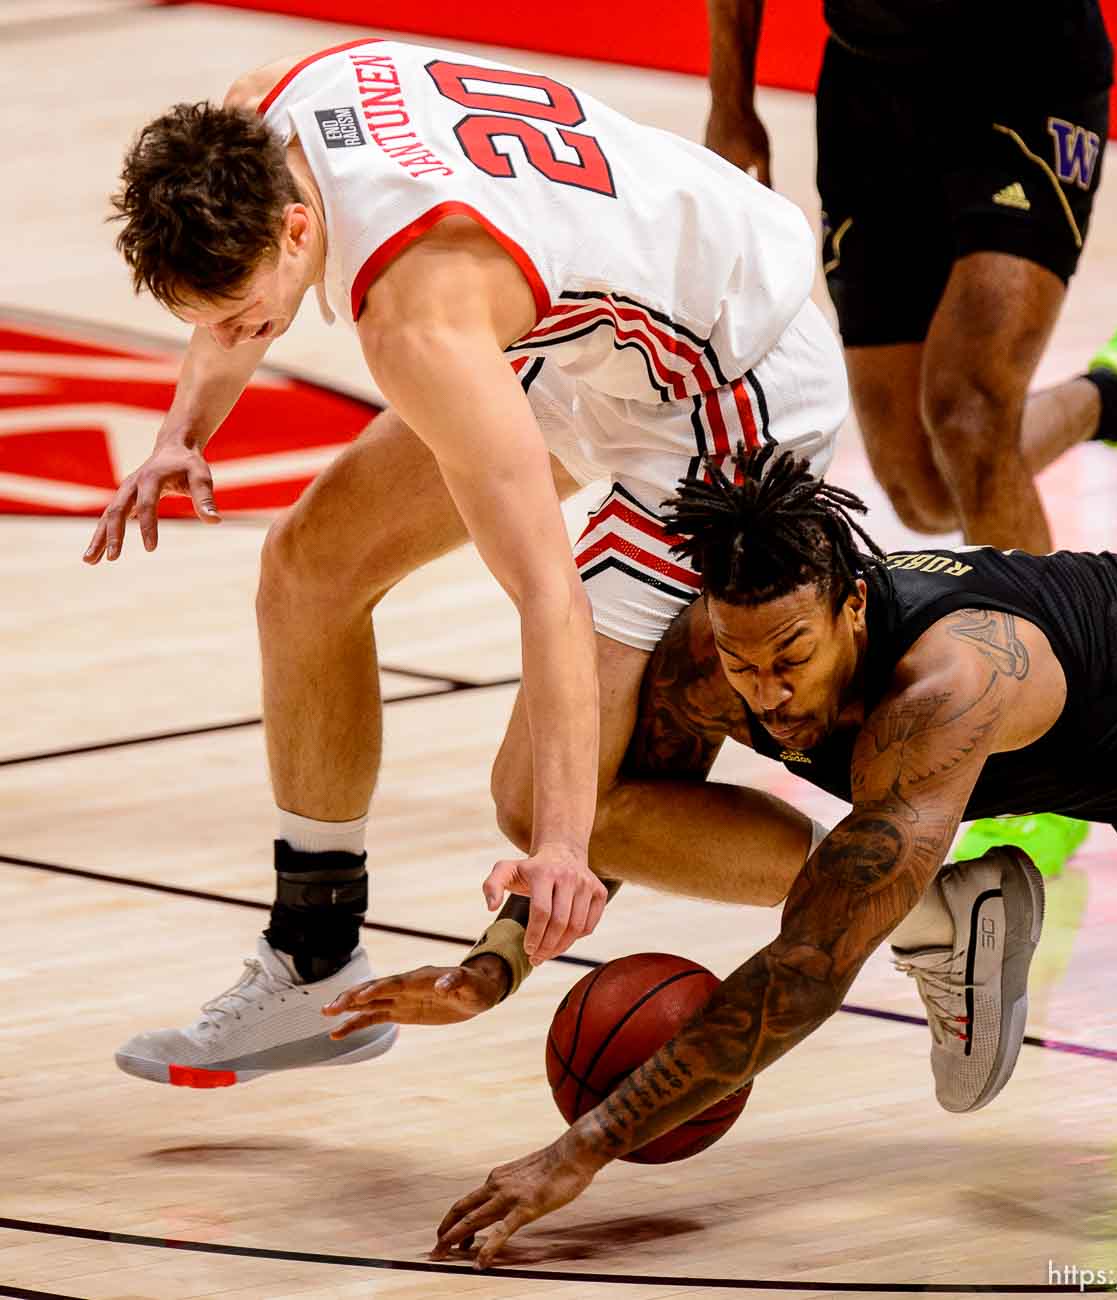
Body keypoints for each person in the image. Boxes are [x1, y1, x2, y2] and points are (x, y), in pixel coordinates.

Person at [332, 445, 1117, 1267]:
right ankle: (943, 917)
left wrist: (580, 1149)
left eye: (790, 656)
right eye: (742, 660)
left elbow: (805, 970)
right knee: (594, 790)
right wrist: (496, 961)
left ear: (851, 611)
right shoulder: (719, 663)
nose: (767, 693)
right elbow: (607, 824)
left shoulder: (942, 688)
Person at [95, 36, 849, 1087]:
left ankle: (911, 900)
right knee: (310, 564)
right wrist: (184, 427)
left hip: (724, 381)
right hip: (590, 320)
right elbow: (247, 298)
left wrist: (563, 852)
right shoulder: (263, 109)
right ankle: (315, 962)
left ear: (299, 226)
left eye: (240, 316)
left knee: (535, 798)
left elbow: (545, 593)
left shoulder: (417, 319)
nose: (227, 336)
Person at [706, 0, 1117, 875]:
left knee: (971, 411)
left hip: (1027, 76)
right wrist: (730, 96)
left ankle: (1044, 758)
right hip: (866, 89)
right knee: (925, 487)